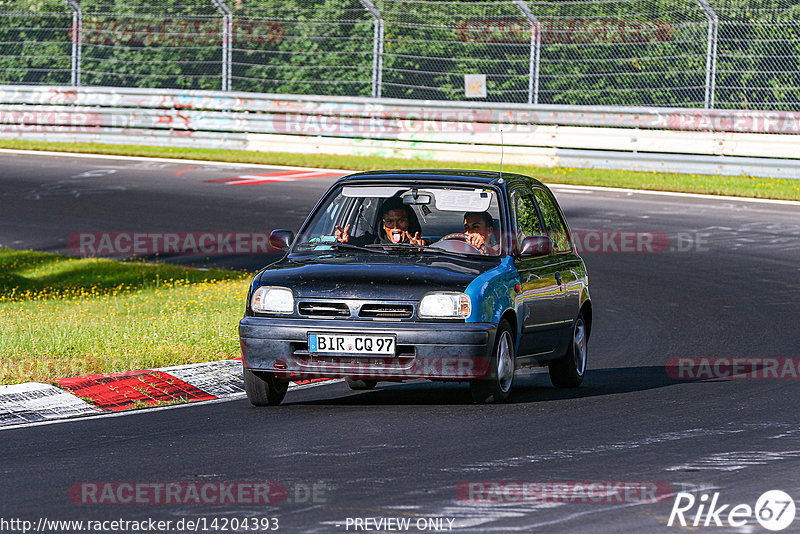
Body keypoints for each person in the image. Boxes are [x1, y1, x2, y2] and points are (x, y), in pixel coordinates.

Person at [335, 196, 425, 246]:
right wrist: (347, 241)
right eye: (389, 221)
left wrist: (418, 248)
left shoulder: (421, 244)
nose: (395, 227)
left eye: (401, 221)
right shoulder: (371, 243)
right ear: (383, 224)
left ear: (409, 222)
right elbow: (355, 244)